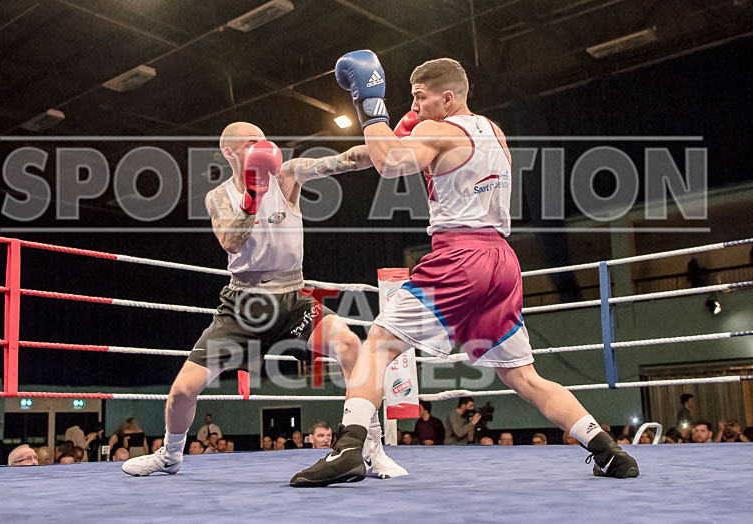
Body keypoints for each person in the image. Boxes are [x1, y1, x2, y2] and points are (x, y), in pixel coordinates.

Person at [291, 51, 638, 487]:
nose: (415, 107)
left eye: (420, 98)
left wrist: (371, 107)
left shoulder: (438, 129)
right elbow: (397, 154)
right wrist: (392, 136)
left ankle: (348, 450)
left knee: (376, 345)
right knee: (523, 376)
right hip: (502, 263)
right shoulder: (494, 130)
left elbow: (389, 163)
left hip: (460, 255)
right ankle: (607, 449)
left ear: (448, 98)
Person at [122, 122, 405, 480]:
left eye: (264, 139)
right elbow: (230, 241)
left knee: (351, 345)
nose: (263, 145)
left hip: (292, 299)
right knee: (182, 390)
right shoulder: (219, 196)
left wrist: (393, 144)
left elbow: (344, 161)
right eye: (252, 142)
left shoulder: (288, 175)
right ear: (230, 152)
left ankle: (370, 449)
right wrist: (252, 197)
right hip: (243, 307)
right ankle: (170, 455)